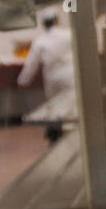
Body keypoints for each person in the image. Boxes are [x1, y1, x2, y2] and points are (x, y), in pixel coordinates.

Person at [18, 13, 73, 143]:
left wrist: (23, 81)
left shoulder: (40, 40)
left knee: (55, 108)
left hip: (52, 77)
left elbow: (32, 63)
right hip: (70, 75)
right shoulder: (69, 34)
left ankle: (57, 137)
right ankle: (70, 138)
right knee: (71, 107)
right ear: (57, 21)